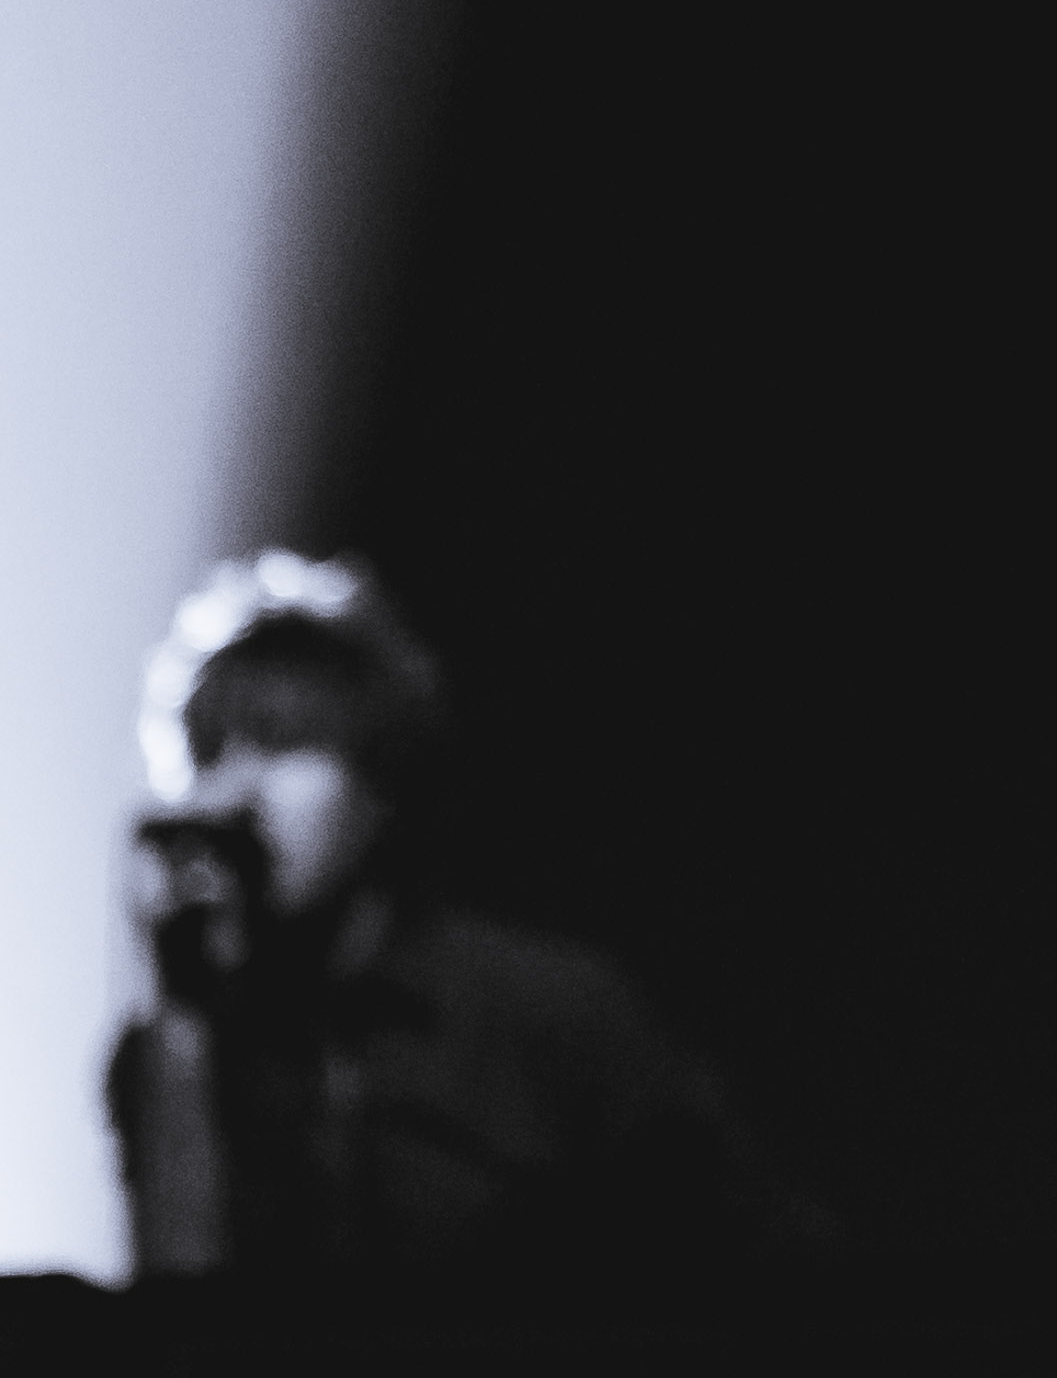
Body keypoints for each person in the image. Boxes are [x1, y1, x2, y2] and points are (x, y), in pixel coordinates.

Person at [109, 550, 813, 1298]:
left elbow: (765, 1244)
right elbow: (185, 1321)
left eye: (285, 743)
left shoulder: (548, 1009)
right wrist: (180, 1020)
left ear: (378, 779)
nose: (238, 789)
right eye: (208, 751)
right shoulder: (172, 1052)